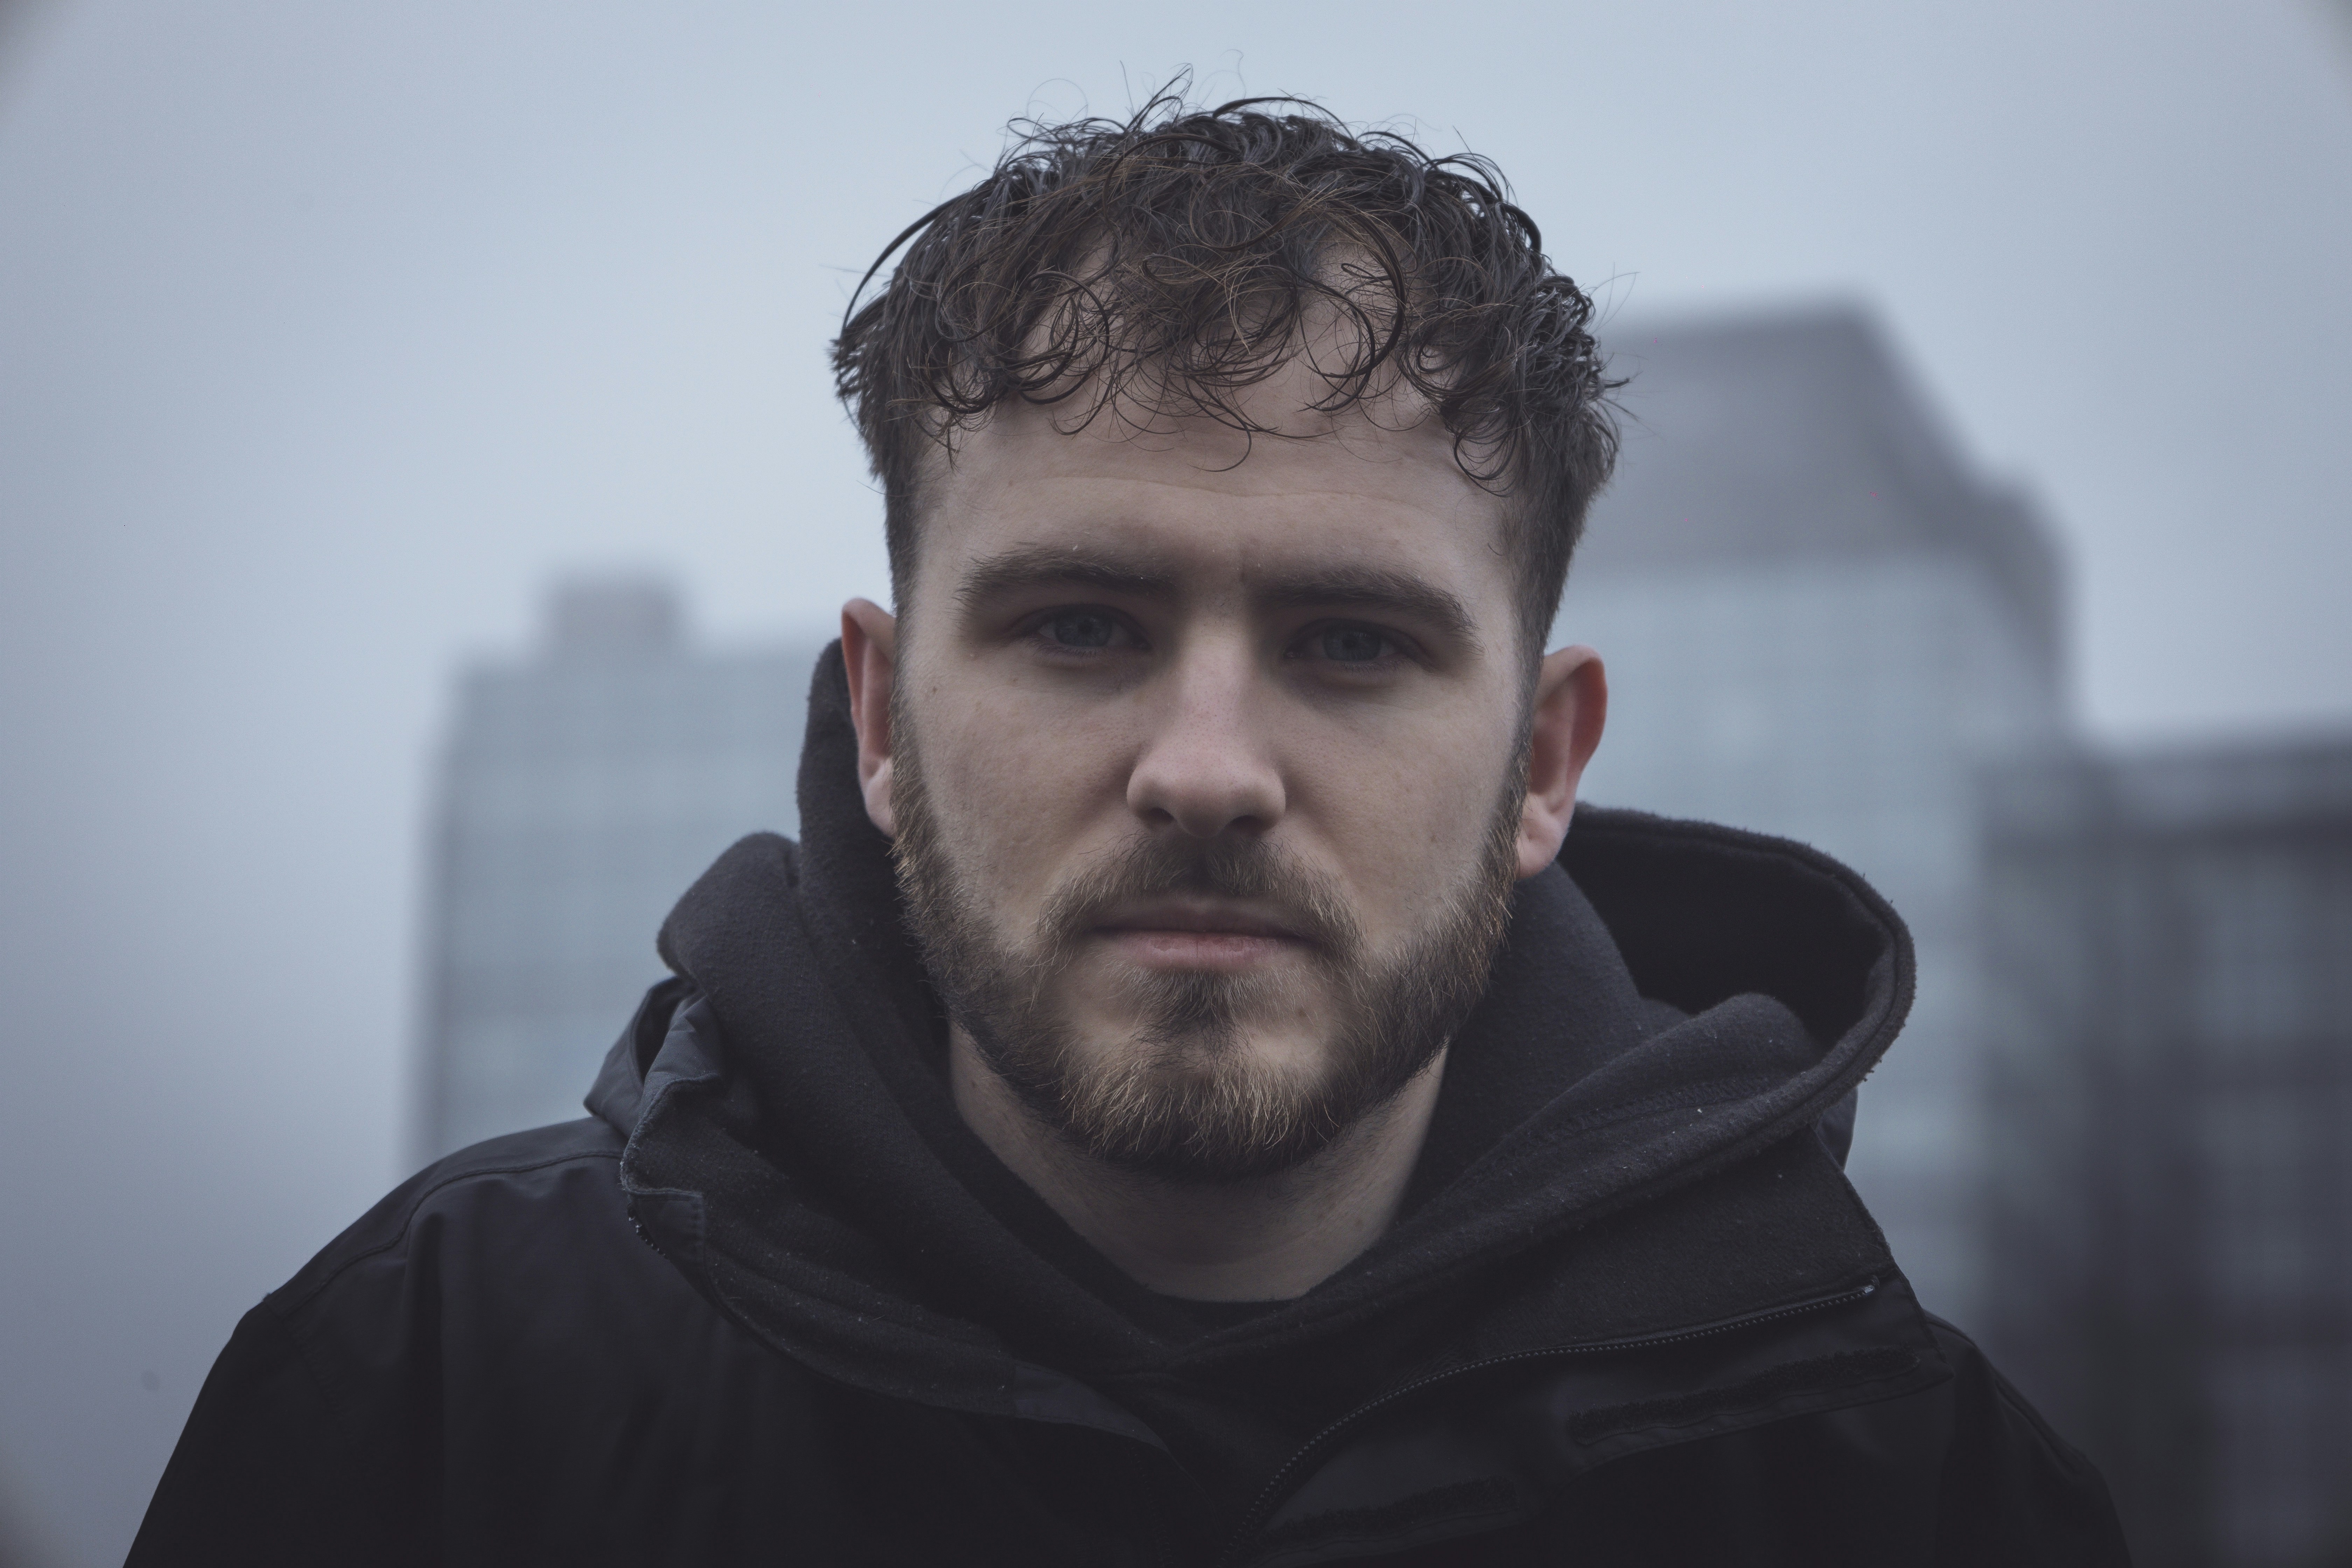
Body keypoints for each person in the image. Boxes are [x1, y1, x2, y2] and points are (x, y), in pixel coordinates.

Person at [131, 94, 2129, 1566]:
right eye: (1081, 625)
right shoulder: (442, 1393)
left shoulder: (1909, 1497)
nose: (1206, 767)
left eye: (1351, 645)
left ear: (1544, 766)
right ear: (882, 719)